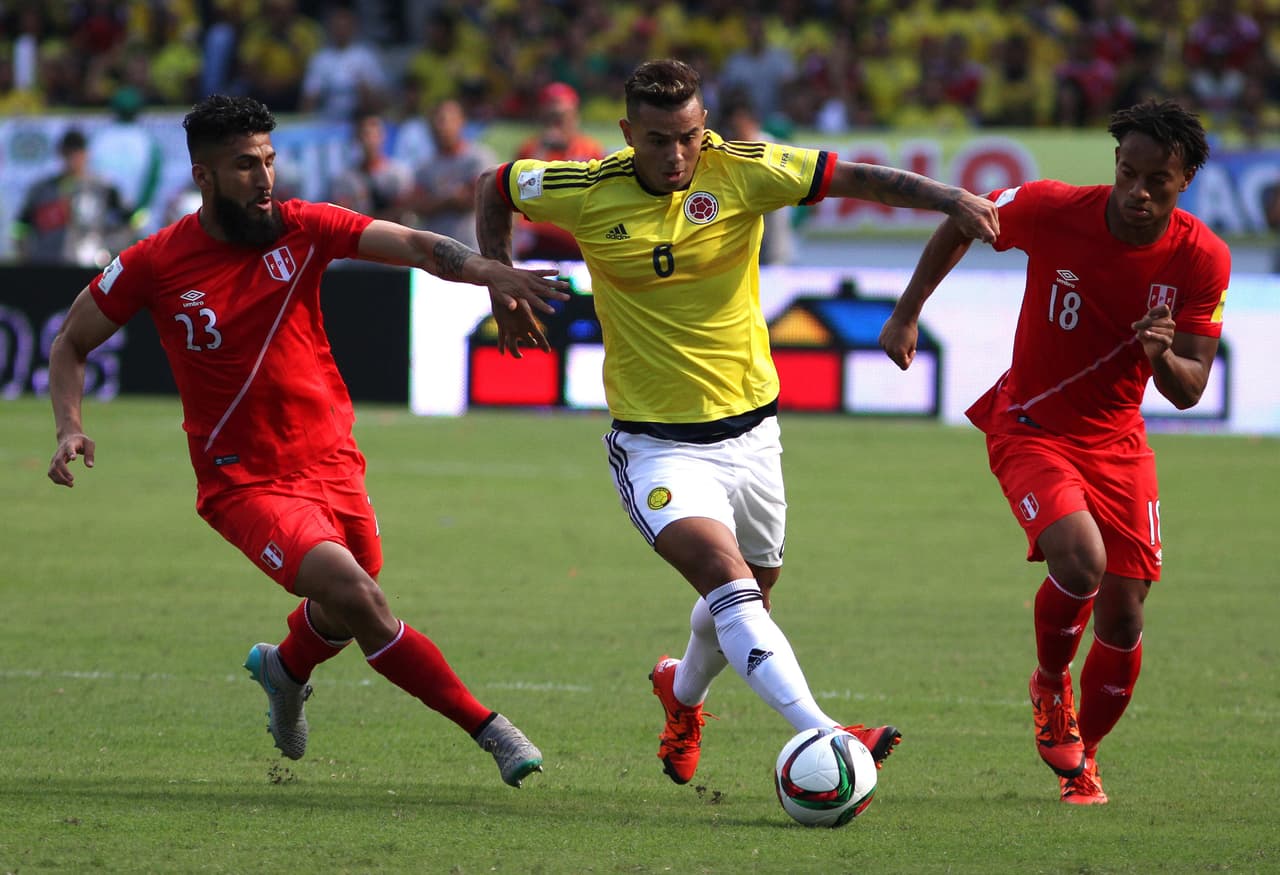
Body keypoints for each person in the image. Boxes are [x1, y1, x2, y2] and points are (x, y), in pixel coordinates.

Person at [474, 58, 1000, 786]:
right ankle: (825, 732)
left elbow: (857, 178)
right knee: (729, 584)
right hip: (656, 446)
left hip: (754, 433)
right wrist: (500, 280)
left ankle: (680, 695)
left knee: (754, 588)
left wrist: (951, 198)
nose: (678, 154)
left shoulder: (744, 169)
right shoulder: (586, 187)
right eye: (659, 139)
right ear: (628, 134)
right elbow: (493, 187)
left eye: (690, 135)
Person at [46, 95, 569, 788]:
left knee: (348, 601)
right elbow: (72, 341)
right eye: (243, 165)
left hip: (331, 459)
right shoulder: (155, 262)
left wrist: (490, 272)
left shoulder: (303, 227)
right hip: (245, 481)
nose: (264, 178)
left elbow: (414, 245)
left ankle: (285, 667)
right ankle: (490, 728)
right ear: (203, 176)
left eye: (268, 159)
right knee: (360, 596)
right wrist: (70, 425)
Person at [879, 99, 1230, 805]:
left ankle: (1084, 758)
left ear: (1185, 178)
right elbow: (964, 218)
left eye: (1156, 180)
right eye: (1128, 172)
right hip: (1030, 421)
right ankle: (1048, 685)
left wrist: (1160, 357)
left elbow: (1191, 388)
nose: (1137, 191)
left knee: (1126, 613)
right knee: (1081, 558)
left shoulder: (1202, 258)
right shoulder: (1051, 208)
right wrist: (909, 307)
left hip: (1119, 442)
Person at [513, 82, 605, 261]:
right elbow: (525, 194)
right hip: (539, 240)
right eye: (551, 116)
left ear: (574, 115)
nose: (557, 123)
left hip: (577, 240)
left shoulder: (590, 148)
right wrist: (541, 151)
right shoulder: (531, 149)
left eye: (562, 115)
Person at [13, 128, 132, 267]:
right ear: (61, 154)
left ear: (86, 154)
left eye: (77, 153)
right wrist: (25, 255)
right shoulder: (42, 190)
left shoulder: (103, 187)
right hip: (47, 264)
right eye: (68, 153)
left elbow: (132, 219)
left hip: (88, 264)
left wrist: (110, 248)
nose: (73, 159)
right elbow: (20, 226)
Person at [410, 98, 495, 250]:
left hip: (472, 249)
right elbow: (416, 205)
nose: (439, 127)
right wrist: (451, 198)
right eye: (434, 121)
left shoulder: (478, 158)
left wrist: (436, 200)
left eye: (444, 120)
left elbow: (476, 198)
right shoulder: (424, 166)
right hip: (435, 254)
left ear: (461, 122)